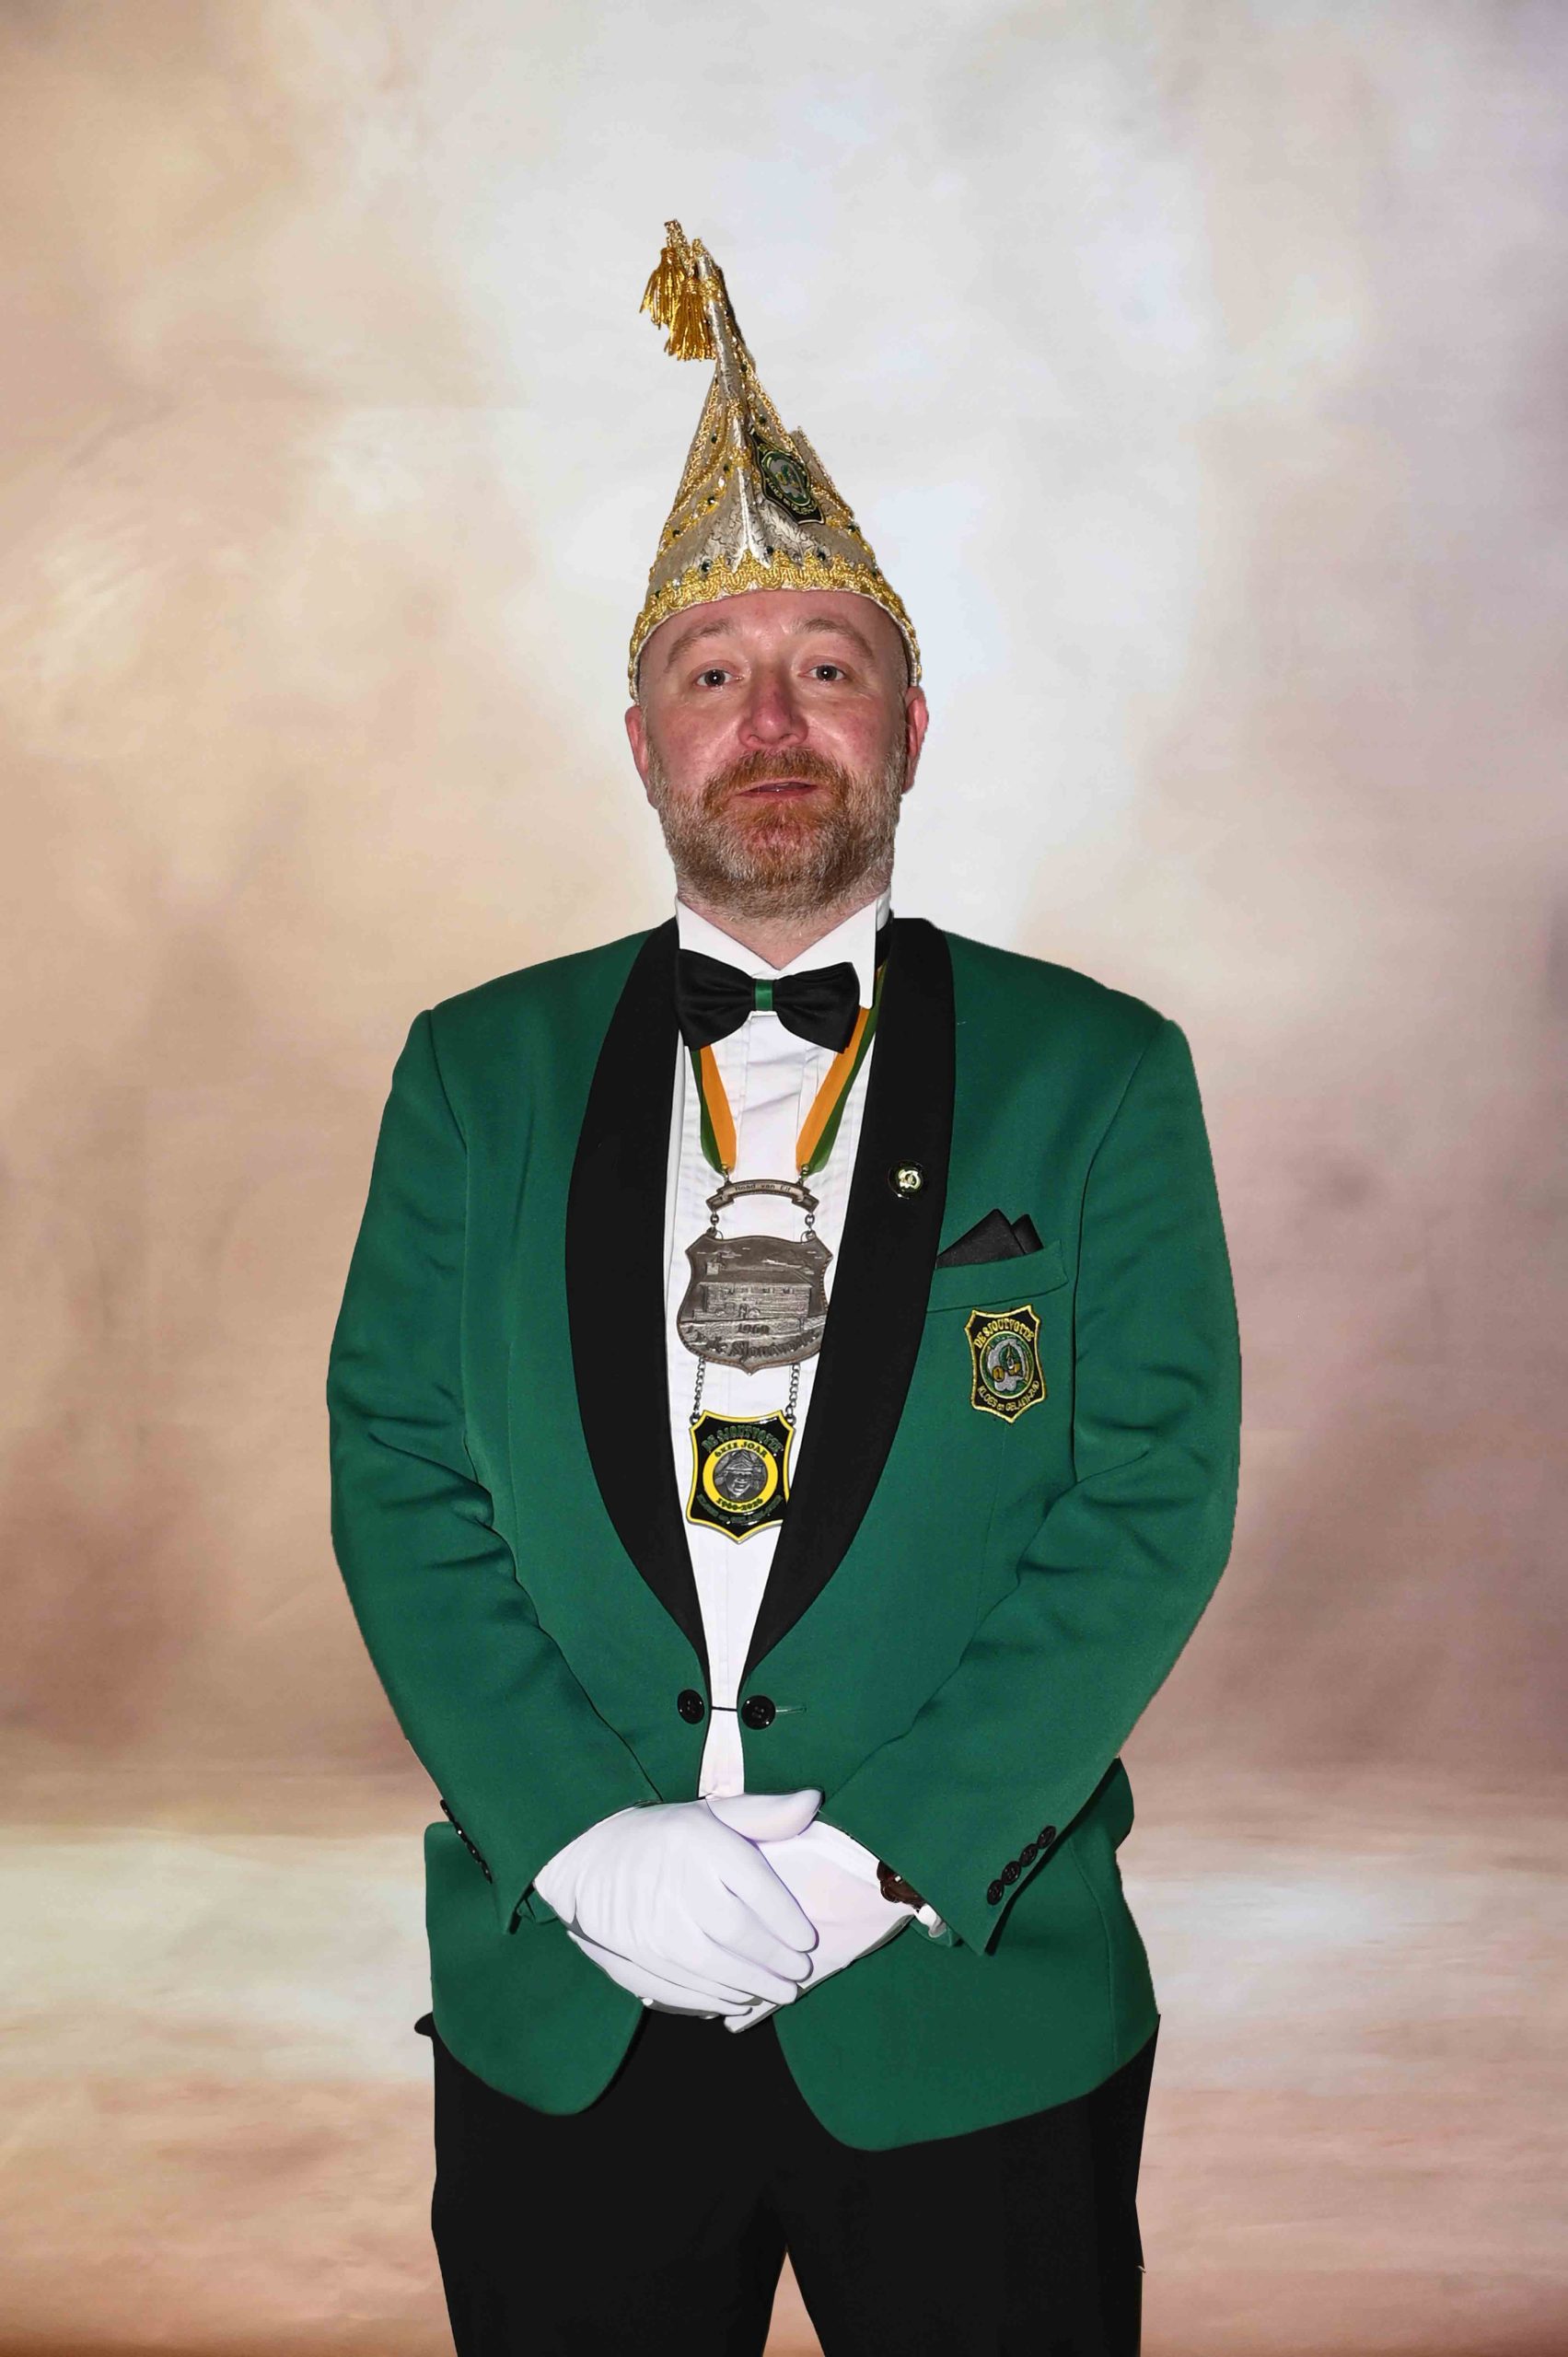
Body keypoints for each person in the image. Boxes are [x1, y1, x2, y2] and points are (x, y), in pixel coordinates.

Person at [326, 221, 1243, 2357]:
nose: (769, 718)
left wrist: (887, 1857)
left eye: (825, 668)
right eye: (711, 673)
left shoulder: (1102, 1071)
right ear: (641, 741)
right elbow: (399, 1472)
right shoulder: (474, 1071)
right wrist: (578, 1838)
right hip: (570, 1998)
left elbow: (1148, 1503)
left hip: (963, 1997)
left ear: (909, 723)